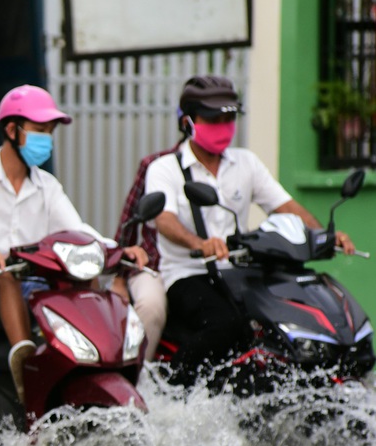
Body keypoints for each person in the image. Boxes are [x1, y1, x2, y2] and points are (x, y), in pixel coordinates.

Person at [0, 84, 147, 401]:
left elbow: (78, 231)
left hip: (30, 293)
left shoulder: (47, 186)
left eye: (49, 131)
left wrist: (115, 250)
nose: (46, 138)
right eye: (39, 129)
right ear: (11, 129)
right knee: (7, 272)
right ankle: (23, 370)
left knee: (83, 275)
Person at [144, 75, 355, 386]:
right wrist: (199, 243)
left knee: (286, 321)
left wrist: (324, 234)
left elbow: (284, 205)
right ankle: (173, 392)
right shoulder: (164, 168)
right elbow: (164, 220)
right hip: (187, 274)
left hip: (239, 274)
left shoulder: (246, 163)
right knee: (226, 325)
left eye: (229, 117)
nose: (224, 124)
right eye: (214, 118)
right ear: (188, 122)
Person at [112, 139, 182, 363]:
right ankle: (133, 379)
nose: (221, 127)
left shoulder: (236, 165)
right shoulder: (156, 165)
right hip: (154, 267)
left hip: (202, 269)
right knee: (151, 308)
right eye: (210, 119)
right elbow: (129, 221)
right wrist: (119, 277)